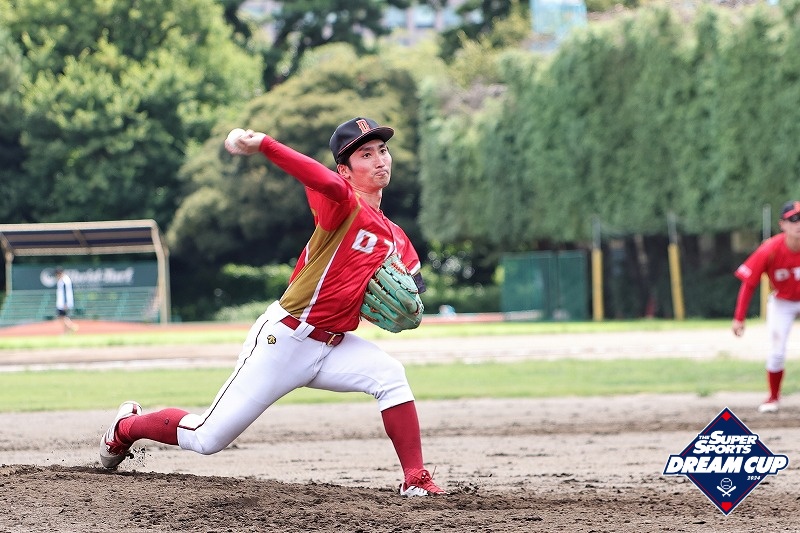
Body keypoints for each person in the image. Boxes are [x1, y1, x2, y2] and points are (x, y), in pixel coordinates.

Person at [99, 117, 445, 496]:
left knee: (390, 376)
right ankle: (126, 427)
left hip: (334, 346)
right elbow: (318, 177)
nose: (380, 160)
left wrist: (409, 307)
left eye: (382, 150)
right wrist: (265, 144)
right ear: (345, 170)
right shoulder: (342, 203)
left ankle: (415, 479)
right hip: (285, 341)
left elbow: (414, 295)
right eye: (366, 154)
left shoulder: (396, 237)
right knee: (206, 437)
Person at [732, 200, 800, 413]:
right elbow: (749, 283)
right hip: (782, 301)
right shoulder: (770, 249)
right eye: (793, 219)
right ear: (782, 224)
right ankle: (773, 396)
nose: (798, 223)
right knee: (777, 352)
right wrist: (739, 317)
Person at [55, 267, 78, 333]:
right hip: (62, 302)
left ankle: (71, 327)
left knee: (62, 317)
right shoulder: (62, 280)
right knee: (62, 317)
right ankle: (67, 331)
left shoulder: (64, 281)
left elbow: (65, 293)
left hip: (63, 303)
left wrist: (65, 303)